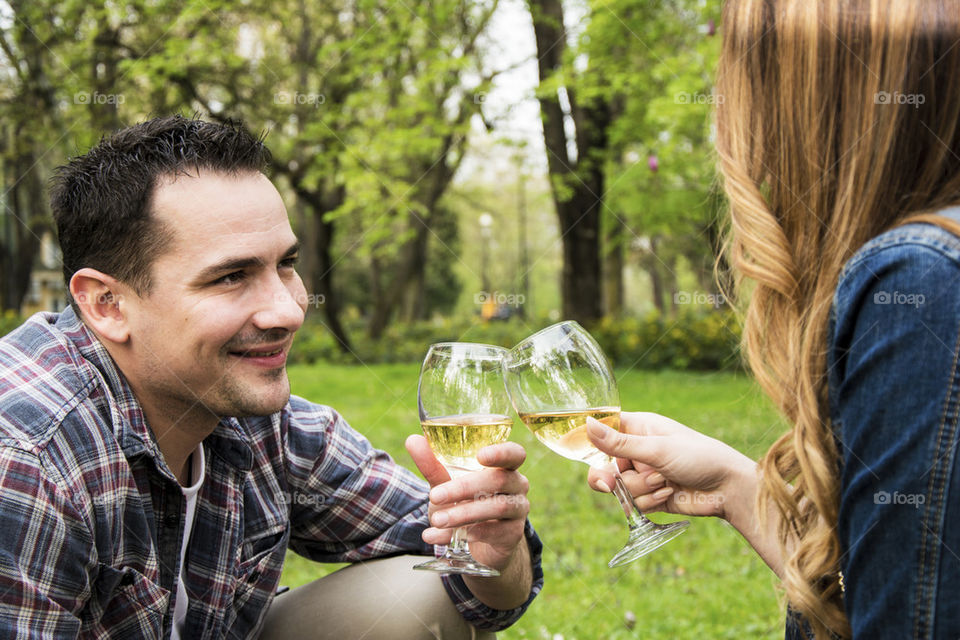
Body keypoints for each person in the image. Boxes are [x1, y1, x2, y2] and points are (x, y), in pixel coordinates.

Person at [0, 115, 542, 639]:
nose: (287, 310)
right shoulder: (27, 461)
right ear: (107, 304)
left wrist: (492, 549)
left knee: (423, 600)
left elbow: (483, 581)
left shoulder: (264, 423)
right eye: (231, 276)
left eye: (285, 263)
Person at [585, 1, 960, 639]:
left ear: (802, 105)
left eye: (736, 81)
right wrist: (736, 486)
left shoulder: (922, 282)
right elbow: (880, 596)